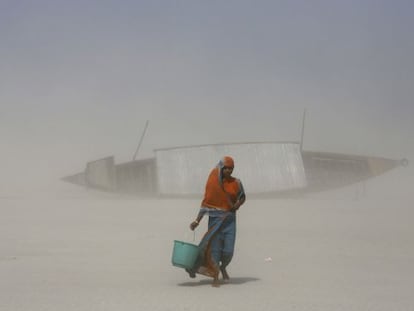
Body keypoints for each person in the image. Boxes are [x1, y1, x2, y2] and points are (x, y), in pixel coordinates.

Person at [187, 156, 246, 287]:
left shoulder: (237, 183)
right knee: (215, 250)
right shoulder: (213, 185)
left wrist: (238, 204)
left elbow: (242, 197)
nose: (229, 171)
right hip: (215, 221)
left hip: (230, 222)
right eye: (227, 169)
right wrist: (197, 221)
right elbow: (205, 205)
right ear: (221, 168)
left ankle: (223, 266)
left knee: (228, 251)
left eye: (231, 169)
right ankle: (215, 276)